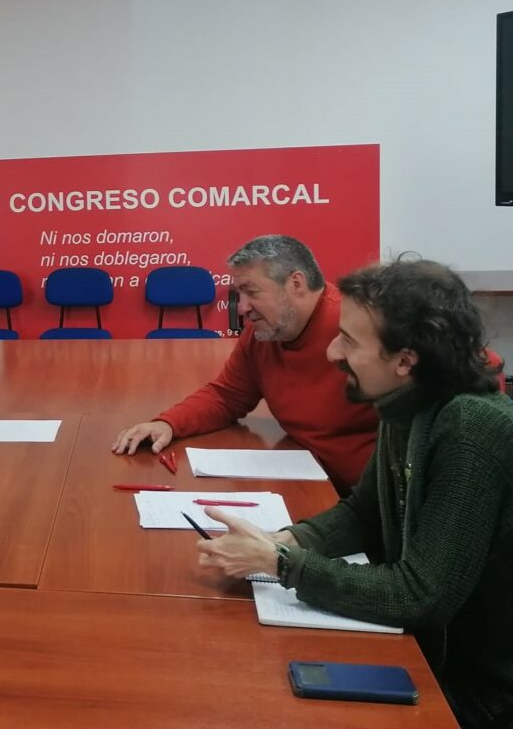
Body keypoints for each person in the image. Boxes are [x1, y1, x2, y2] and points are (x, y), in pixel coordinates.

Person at [195, 259, 513, 728]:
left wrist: (280, 564)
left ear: (404, 360)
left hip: (475, 694)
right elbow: (365, 512)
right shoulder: (406, 400)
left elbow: (420, 595)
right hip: (432, 657)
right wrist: (287, 539)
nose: (331, 352)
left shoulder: (471, 429)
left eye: (349, 340)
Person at [112, 235, 379, 493]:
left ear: (296, 284)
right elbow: (226, 396)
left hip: (363, 494)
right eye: (239, 294)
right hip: (308, 481)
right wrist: (168, 424)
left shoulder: (357, 327)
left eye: (251, 292)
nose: (241, 308)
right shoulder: (264, 333)